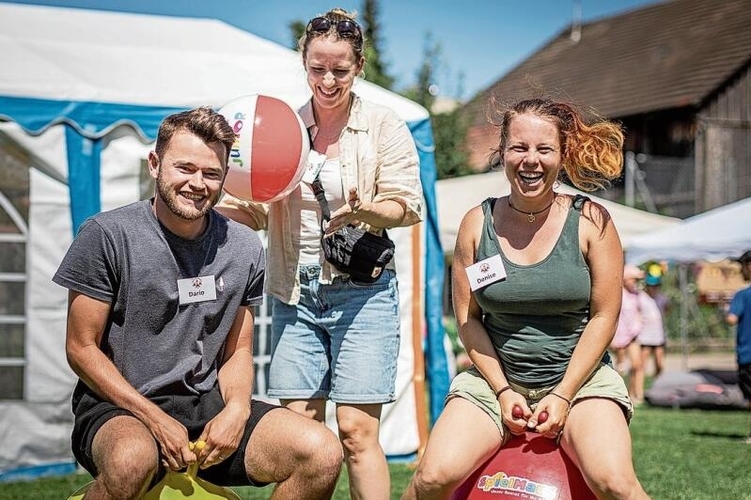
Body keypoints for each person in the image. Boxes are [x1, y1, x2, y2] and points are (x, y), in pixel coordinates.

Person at [53, 107, 343, 500]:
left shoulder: (243, 248)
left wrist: (237, 411)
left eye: (211, 174)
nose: (197, 183)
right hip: (116, 406)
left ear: (225, 178)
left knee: (321, 452)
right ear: (155, 164)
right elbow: (80, 349)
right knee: (132, 460)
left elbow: (237, 350)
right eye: (184, 168)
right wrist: (153, 418)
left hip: (206, 404)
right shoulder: (107, 235)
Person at [217, 8, 423, 499]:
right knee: (301, 436)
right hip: (294, 294)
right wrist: (207, 216)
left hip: (365, 296)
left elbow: (407, 204)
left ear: (360, 67)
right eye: (317, 68)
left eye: (340, 69)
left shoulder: (383, 125)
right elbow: (253, 208)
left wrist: (367, 211)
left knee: (356, 432)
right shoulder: (280, 126)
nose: (327, 79)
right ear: (303, 63)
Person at [402, 97, 650, 500]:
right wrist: (502, 390)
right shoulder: (475, 224)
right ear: (502, 152)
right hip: (493, 380)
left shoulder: (592, 222)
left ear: (562, 154)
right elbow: (468, 320)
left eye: (544, 149)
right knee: (431, 477)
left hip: (581, 381)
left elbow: (605, 316)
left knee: (614, 482)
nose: (530, 160)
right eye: (519, 147)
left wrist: (563, 393)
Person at [611, 264, 647, 404]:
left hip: (633, 335)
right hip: (619, 336)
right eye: (633, 279)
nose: (635, 283)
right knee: (621, 367)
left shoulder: (637, 295)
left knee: (637, 365)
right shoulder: (618, 295)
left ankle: (636, 393)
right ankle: (619, 394)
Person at [726, 250, 751, 443]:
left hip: (747, 354)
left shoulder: (743, 295)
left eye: (742, 266)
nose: (741, 271)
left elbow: (732, 319)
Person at [639, 273, 669, 380]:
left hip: (659, 336)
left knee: (659, 364)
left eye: (656, 286)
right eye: (651, 286)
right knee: (642, 364)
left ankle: (658, 385)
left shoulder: (662, 297)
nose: (653, 288)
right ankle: (640, 388)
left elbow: (667, 310)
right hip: (645, 336)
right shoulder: (641, 297)